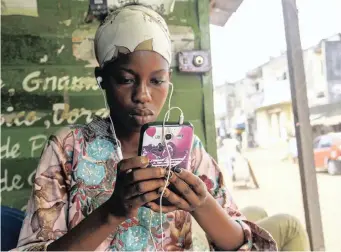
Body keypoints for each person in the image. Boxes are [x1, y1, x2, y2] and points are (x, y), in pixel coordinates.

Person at [14, 4, 277, 251]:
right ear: (102, 79)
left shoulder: (189, 151)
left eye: (157, 81)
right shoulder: (68, 148)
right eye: (126, 79)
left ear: (169, 80)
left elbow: (243, 245)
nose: (143, 94)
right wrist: (112, 212)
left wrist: (202, 204)